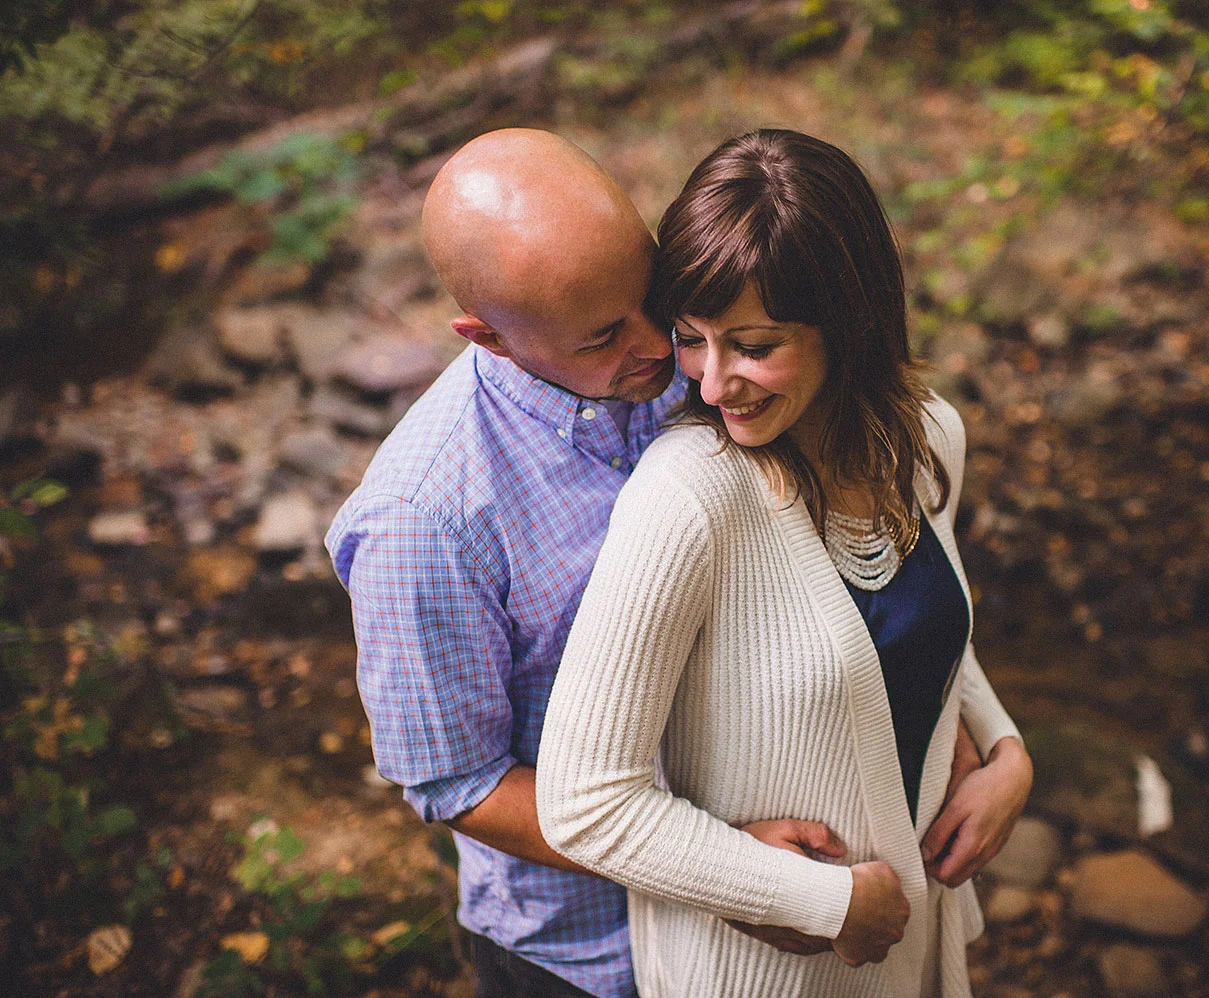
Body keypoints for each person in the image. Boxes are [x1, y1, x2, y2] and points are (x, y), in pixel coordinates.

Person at [325, 128, 986, 998]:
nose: (667, 358)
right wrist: (736, 871)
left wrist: (982, 740)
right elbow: (461, 780)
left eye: (655, 301)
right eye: (604, 337)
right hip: (587, 956)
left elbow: (863, 567)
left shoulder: (702, 355)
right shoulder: (423, 521)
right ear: (486, 337)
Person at [535, 129, 1034, 998]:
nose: (713, 382)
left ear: (851, 322)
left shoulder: (926, 442)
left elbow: (914, 622)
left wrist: (1005, 751)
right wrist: (817, 899)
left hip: (912, 961)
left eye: (755, 345)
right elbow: (584, 802)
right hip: (759, 978)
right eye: (692, 339)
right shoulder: (688, 497)